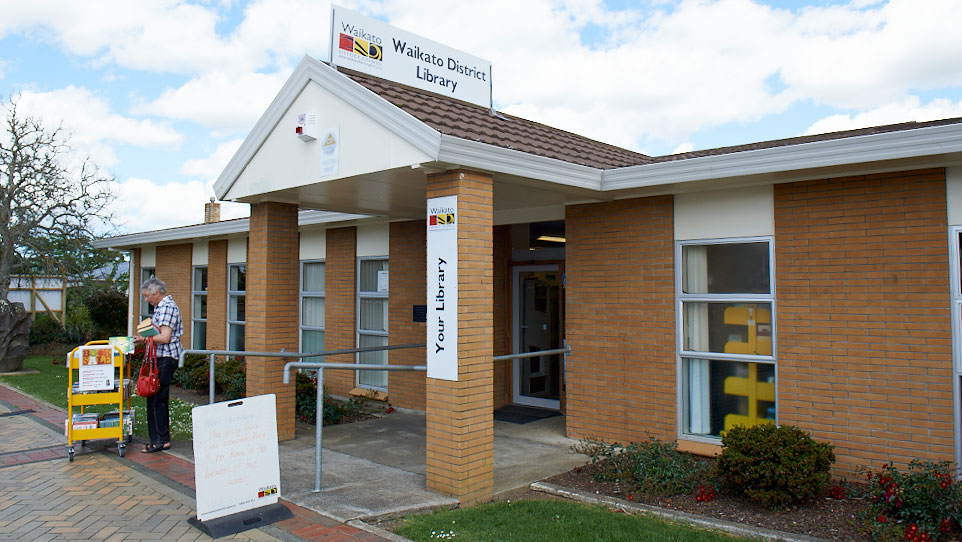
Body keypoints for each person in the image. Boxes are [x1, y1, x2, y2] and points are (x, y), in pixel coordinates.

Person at [135, 277, 183, 453]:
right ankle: (157, 438)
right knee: (153, 397)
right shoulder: (160, 308)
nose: (146, 300)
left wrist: (143, 339)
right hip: (158, 358)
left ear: (157, 293)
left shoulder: (168, 307)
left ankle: (161, 440)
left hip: (166, 358)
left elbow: (165, 337)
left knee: (158, 398)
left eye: (147, 296)